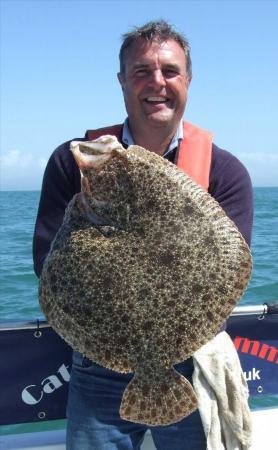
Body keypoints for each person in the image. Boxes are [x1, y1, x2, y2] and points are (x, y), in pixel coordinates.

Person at [33, 20, 253, 450]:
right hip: (95, 370)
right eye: (141, 72)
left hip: (194, 368)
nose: (157, 83)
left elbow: (229, 276)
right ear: (122, 81)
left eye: (170, 71)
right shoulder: (71, 162)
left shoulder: (225, 172)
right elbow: (47, 262)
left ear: (187, 80)